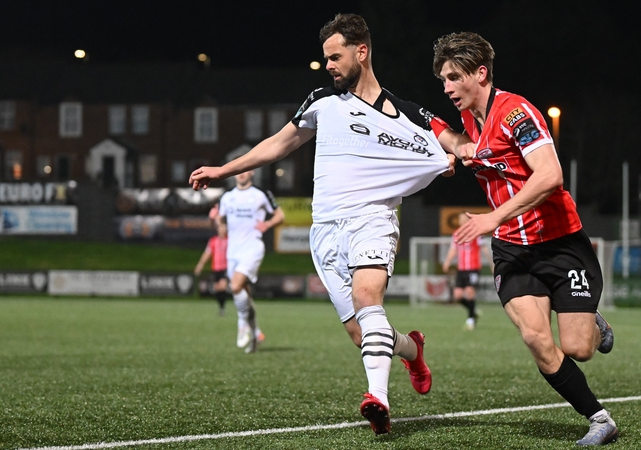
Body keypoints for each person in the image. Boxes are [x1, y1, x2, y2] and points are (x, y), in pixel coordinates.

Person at [191, 14, 471, 435]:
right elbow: (279, 144)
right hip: (325, 231)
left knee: (367, 296)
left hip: (373, 219)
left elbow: (455, 140)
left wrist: (456, 154)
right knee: (362, 336)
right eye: (325, 58)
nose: (328, 65)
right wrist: (224, 170)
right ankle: (413, 349)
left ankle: (378, 398)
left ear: (362, 52)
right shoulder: (323, 100)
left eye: (335, 56)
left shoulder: (409, 113)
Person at [433, 32, 617, 446]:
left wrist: (491, 218)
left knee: (578, 347)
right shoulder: (465, 122)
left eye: (453, 77)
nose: (446, 88)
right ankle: (600, 419)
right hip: (512, 250)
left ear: (480, 73)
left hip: (560, 242)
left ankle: (592, 322)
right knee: (535, 337)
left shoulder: (516, 112)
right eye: (442, 79)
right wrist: (445, 159)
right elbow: (450, 142)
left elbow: (551, 176)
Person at [216, 170, 282, 354]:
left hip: (252, 248)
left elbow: (280, 215)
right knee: (244, 295)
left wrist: (268, 224)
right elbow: (220, 220)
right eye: (238, 171)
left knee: (235, 286)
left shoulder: (260, 194)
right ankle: (254, 337)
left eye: (245, 170)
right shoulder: (227, 197)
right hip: (233, 251)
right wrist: (218, 224)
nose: (241, 174)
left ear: (252, 172)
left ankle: (242, 323)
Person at [442, 213, 493, 330]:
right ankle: (473, 310)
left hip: (473, 268)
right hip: (461, 269)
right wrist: (447, 262)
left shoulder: (475, 232)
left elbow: (484, 248)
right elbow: (453, 249)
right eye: (460, 219)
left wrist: (491, 264)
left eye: (464, 218)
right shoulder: (456, 234)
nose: (462, 220)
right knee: (457, 296)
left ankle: (470, 320)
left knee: (470, 293)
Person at [194, 220, 230, 316]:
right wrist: (200, 265)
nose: (222, 229)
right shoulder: (213, 241)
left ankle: (225, 306)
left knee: (222, 286)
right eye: (220, 227)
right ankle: (222, 307)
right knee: (217, 288)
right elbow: (207, 254)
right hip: (216, 268)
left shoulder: (229, 241)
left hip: (226, 268)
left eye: (224, 227)